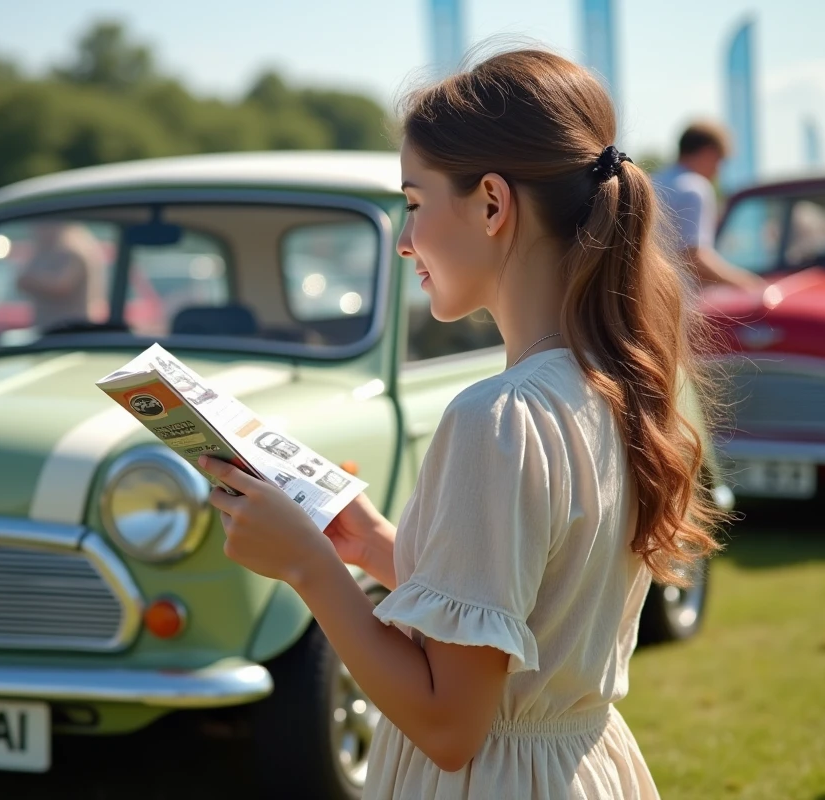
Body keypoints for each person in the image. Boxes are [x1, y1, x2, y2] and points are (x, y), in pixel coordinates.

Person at [197, 48, 726, 799]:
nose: (405, 242)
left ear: (490, 203)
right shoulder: (613, 384)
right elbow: (526, 626)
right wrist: (376, 545)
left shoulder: (497, 418)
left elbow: (451, 727)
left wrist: (308, 569)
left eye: (413, 204)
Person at [653, 120, 767, 290]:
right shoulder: (694, 188)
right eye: (720, 161)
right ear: (709, 153)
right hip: (678, 300)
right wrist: (749, 284)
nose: (718, 171)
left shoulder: (653, 181)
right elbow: (694, 258)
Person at [15, 221, 106, 330]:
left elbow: (62, 286)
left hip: (71, 330)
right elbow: (20, 281)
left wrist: (32, 281)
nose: (38, 230)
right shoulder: (44, 251)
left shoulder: (74, 250)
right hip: (46, 328)